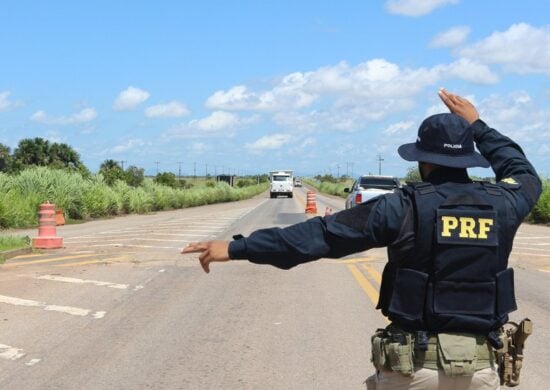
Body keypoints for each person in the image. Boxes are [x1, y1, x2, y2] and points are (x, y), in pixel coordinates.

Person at [181, 89, 542, 389]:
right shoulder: (506, 202)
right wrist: (478, 125)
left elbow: (319, 236)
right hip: (481, 371)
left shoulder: (403, 206)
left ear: (422, 162)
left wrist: (236, 247)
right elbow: (522, 170)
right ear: (469, 159)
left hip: (412, 368)